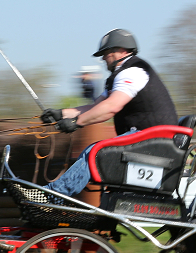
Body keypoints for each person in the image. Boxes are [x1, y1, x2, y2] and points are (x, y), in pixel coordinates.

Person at [41, 29, 178, 197]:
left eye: (106, 52)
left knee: (97, 151)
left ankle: (55, 196)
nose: (103, 58)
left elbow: (111, 107)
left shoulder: (133, 71)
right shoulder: (120, 75)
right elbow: (96, 107)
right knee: (97, 151)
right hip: (148, 140)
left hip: (155, 143)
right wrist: (61, 114)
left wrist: (77, 123)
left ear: (121, 50)